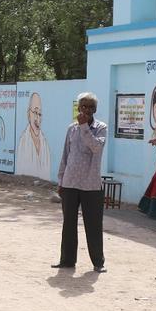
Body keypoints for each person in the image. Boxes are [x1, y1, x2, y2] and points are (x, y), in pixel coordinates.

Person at [53, 92, 108, 272]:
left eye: (90, 107)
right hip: (69, 182)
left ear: (95, 110)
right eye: (83, 106)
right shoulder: (71, 128)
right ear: (78, 108)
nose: (86, 110)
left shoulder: (101, 128)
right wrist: (61, 179)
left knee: (93, 224)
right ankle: (67, 260)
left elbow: (96, 147)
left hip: (90, 184)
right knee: (68, 223)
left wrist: (85, 127)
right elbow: (65, 155)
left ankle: (98, 263)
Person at [15, 92, 53, 179]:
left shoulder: (45, 145)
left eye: (40, 114)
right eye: (35, 112)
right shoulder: (23, 142)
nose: (37, 119)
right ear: (29, 114)